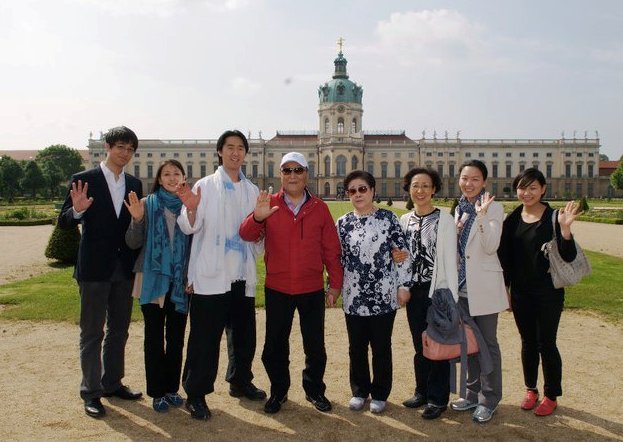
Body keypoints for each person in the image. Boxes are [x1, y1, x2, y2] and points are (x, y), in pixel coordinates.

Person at [239, 151, 343, 414]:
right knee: (274, 346)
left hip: (311, 288)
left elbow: (331, 249)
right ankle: (279, 390)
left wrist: (335, 284)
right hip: (278, 288)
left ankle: (314, 390)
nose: (293, 175)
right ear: (281, 175)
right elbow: (247, 234)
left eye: (298, 170)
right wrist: (258, 217)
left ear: (306, 174)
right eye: (287, 170)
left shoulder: (319, 208)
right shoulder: (269, 203)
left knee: (315, 346)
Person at [174, 130, 266, 420]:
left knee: (244, 336)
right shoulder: (205, 186)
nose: (235, 153)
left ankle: (240, 380)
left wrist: (261, 227)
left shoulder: (252, 190)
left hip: (241, 274)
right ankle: (196, 394)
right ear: (220, 151)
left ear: (245, 154)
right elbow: (189, 226)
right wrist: (191, 210)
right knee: (204, 339)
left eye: (240, 148)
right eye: (230, 147)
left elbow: (258, 233)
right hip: (211, 275)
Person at [58, 126, 143, 418]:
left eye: (130, 149)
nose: (125, 153)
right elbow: (64, 221)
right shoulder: (84, 180)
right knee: (92, 332)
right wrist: (77, 211)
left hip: (123, 268)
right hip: (94, 268)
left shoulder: (134, 183)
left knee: (119, 330)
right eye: (120, 147)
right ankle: (91, 392)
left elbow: (134, 225)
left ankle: (112, 383)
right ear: (108, 147)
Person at [498, 168, 579, 416]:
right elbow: (505, 259)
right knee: (528, 342)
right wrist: (505, 290)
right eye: (522, 187)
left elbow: (568, 256)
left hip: (548, 292)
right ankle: (531, 389)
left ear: (543, 189)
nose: (527, 192)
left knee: (547, 343)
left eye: (533, 187)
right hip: (521, 292)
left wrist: (565, 231)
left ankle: (551, 395)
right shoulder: (512, 219)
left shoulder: (554, 217)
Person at [336, 171, 411, 414]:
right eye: (352, 190)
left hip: (383, 294)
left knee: (381, 347)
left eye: (362, 189)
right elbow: (337, 259)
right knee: (356, 347)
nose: (357, 194)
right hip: (354, 294)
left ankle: (379, 393)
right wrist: (332, 286)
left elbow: (402, 254)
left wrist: (404, 286)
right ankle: (359, 391)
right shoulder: (343, 223)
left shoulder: (388, 219)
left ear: (372, 191)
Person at [124, 160, 191, 413]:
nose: (172, 178)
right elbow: (132, 243)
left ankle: (172, 388)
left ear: (183, 177)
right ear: (159, 179)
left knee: (176, 339)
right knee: (153, 338)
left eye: (176, 173)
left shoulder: (189, 206)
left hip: (180, 280)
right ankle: (156, 392)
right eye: (167, 174)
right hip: (152, 279)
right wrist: (137, 220)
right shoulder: (146, 204)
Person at [449, 159, 508, 424]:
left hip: (482, 287)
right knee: (469, 345)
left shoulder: (493, 208)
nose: (468, 183)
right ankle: (472, 394)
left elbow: (491, 245)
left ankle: (489, 398)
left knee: (487, 345)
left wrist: (481, 216)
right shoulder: (459, 208)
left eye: (475, 179)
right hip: (461, 288)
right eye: (464, 178)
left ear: (484, 181)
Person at [398, 168, 459, 420]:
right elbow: (401, 257)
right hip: (414, 291)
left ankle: (438, 398)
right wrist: (402, 283)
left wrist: (449, 296)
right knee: (419, 344)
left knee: (438, 346)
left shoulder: (444, 219)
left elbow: (450, 260)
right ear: (409, 189)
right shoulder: (404, 220)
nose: (420, 190)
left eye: (425, 185)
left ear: (434, 189)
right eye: (415, 185)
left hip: (437, 291)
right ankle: (421, 391)